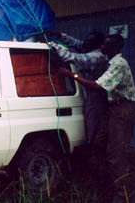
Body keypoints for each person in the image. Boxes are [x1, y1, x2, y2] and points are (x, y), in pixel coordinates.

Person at [59, 34, 135, 203]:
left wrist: (71, 75)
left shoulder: (118, 64)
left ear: (115, 48)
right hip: (114, 108)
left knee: (116, 152)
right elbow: (79, 43)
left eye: (106, 45)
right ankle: (109, 186)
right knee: (99, 144)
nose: (102, 47)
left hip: (123, 109)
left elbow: (96, 86)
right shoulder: (110, 61)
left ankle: (121, 194)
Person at [45, 31, 109, 164]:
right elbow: (77, 43)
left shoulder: (96, 57)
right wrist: (60, 35)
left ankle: (96, 163)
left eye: (89, 41)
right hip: (90, 96)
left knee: (94, 131)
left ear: (97, 45)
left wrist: (50, 44)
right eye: (86, 39)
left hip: (96, 97)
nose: (84, 42)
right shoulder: (91, 49)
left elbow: (71, 57)